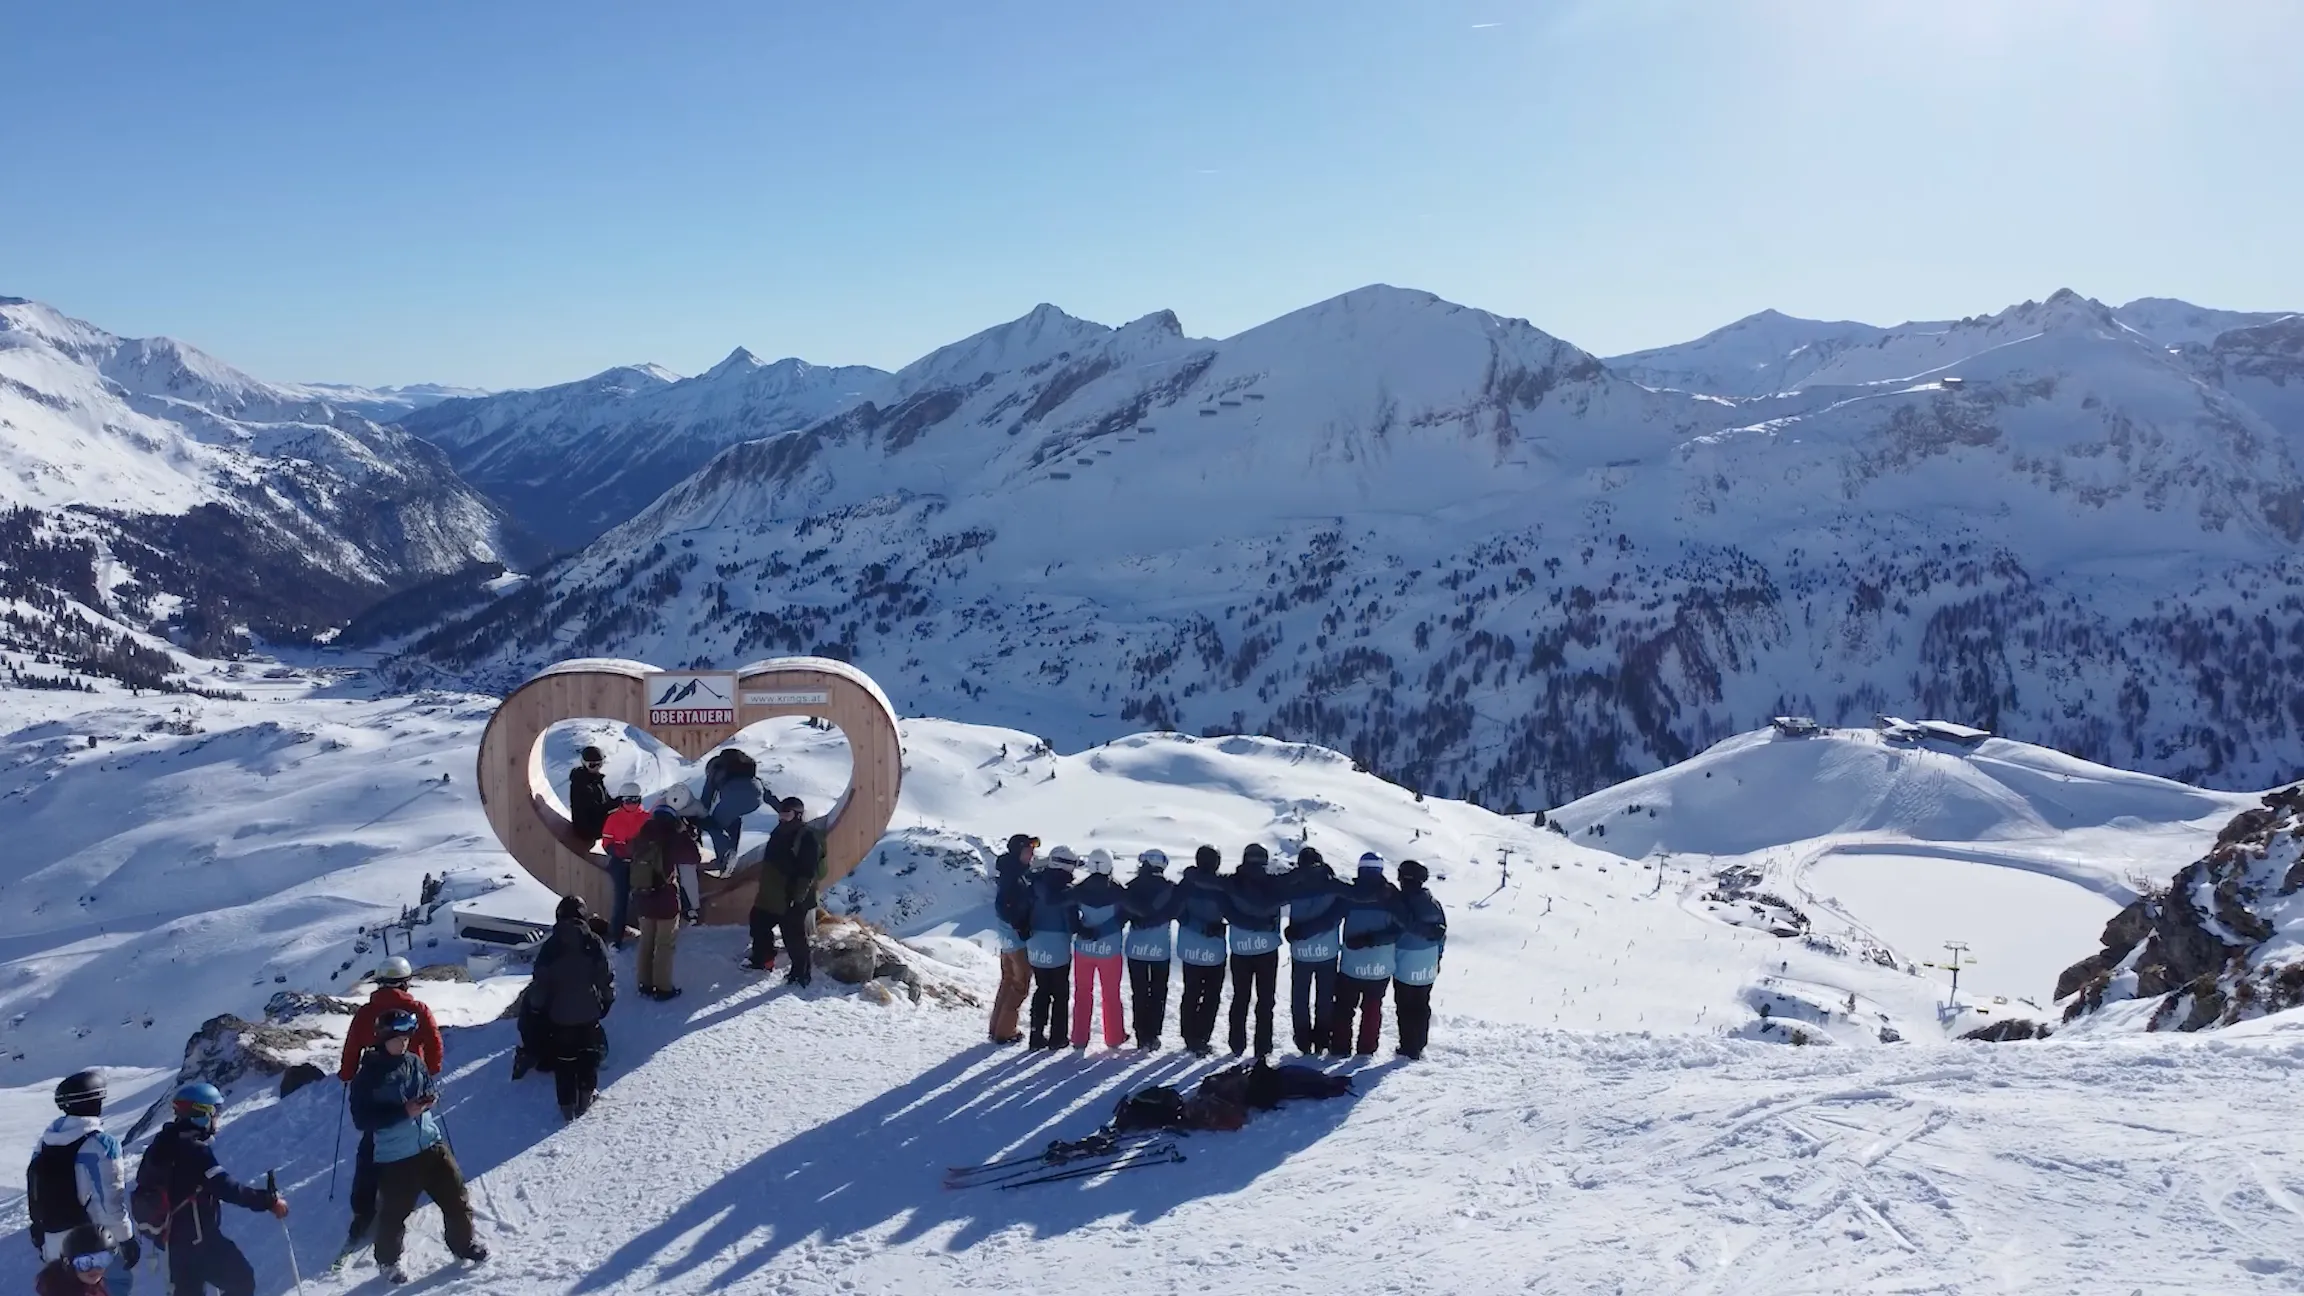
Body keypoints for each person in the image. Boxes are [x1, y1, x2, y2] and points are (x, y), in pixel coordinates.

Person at [350, 1012, 484, 1283]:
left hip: (431, 1144)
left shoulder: (414, 1061)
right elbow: (362, 1120)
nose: (404, 1043)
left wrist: (428, 1099)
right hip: (396, 1156)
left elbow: (424, 1086)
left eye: (407, 1038)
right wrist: (404, 1112)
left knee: (456, 1198)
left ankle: (463, 1245)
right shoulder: (368, 1076)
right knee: (395, 1214)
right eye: (398, 1038)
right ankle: (388, 1262)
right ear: (384, 1037)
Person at [133, 1083, 285, 1296]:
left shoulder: (161, 1144)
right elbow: (226, 1187)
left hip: (171, 1244)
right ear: (203, 1114)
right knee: (241, 1281)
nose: (217, 1118)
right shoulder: (195, 1150)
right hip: (201, 1242)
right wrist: (267, 1201)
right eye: (216, 1112)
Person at [335, 956, 442, 1249]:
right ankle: (427, 1190)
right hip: (413, 1080)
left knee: (373, 1142)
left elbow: (352, 1046)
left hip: (377, 1083)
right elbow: (433, 1041)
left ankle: (364, 1211)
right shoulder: (417, 1009)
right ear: (406, 982)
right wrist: (430, 1070)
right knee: (417, 1135)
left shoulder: (367, 1012)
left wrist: (347, 1075)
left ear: (380, 982)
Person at [27, 1070, 135, 1292]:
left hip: (54, 1242)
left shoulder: (46, 1142)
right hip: (93, 1245)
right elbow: (110, 1201)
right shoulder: (101, 1144)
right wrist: (126, 1238)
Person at [527, 896, 615, 1119]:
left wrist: (537, 1010)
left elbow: (540, 984)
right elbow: (605, 976)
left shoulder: (550, 946)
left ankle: (566, 1107)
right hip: (589, 1012)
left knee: (565, 1062)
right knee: (588, 1058)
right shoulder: (593, 941)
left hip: (559, 1016)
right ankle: (585, 1099)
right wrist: (606, 1001)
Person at [1333, 853, 1405, 1056]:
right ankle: (1366, 1048)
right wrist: (1372, 940)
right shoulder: (1393, 896)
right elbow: (1401, 929)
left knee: (1344, 1008)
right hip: (1380, 966)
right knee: (1373, 1008)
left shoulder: (1349, 895)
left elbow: (1331, 918)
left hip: (1351, 965)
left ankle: (1340, 1047)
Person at [1220, 843, 1288, 1058]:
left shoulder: (1231, 882)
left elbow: (1226, 910)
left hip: (1240, 949)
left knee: (1240, 997)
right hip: (1267, 949)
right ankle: (1263, 1046)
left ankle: (1237, 1044)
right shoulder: (1274, 884)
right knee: (1266, 998)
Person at [751, 797, 824, 985]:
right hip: (770, 893)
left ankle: (801, 973)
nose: (783, 817)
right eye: (781, 813)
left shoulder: (806, 837)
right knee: (758, 924)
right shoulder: (779, 831)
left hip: (790, 895)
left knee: (793, 936)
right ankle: (763, 961)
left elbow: (807, 871)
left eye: (787, 813)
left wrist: (797, 898)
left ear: (797, 815)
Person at [628, 805, 695, 1000]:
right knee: (664, 944)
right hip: (665, 901)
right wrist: (684, 834)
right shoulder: (672, 839)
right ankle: (663, 988)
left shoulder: (641, 837)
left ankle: (644, 984)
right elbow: (693, 857)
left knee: (646, 942)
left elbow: (627, 851)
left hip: (643, 898)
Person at [1283, 847, 1346, 1054]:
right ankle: (1322, 1040)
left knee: (1300, 997)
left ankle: (1303, 1040)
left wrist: (1296, 931)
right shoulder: (1333, 885)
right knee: (1325, 998)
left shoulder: (1294, 886)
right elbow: (1337, 915)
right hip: (1327, 952)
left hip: (1301, 953)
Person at [1121, 849, 1185, 1049]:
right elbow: (1177, 913)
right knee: (1158, 992)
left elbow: (1123, 914)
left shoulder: (1131, 887)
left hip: (1136, 948)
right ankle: (1153, 1033)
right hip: (1160, 949)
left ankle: (1141, 1033)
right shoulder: (1171, 889)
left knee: (1139, 992)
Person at [1066, 849, 1128, 1049]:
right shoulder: (1118, 889)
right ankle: (1114, 1037)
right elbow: (1122, 918)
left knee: (1082, 992)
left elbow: (1070, 917)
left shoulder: (1079, 889)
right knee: (1111, 993)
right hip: (1110, 949)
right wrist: (1103, 930)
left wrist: (1084, 930)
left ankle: (1078, 1037)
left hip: (1084, 948)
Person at [1174, 846, 1231, 1055]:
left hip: (1190, 948)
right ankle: (1202, 1036)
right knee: (1211, 995)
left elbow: (1177, 912)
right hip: (1214, 950)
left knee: (1191, 992)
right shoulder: (1221, 886)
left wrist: (1195, 925)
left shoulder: (1186, 883)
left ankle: (1189, 1037)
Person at [1391, 860, 1449, 1060]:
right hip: (1428, 963)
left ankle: (1408, 1045)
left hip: (1404, 961)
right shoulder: (1433, 903)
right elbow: (1442, 934)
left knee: (1404, 1005)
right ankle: (1419, 1043)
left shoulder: (1399, 902)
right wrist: (1437, 958)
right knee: (1422, 1003)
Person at [1024, 847, 1080, 1050]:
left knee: (1041, 989)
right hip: (1058, 945)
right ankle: (1058, 1037)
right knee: (1060, 993)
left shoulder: (1034, 883)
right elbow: (1072, 922)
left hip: (1035, 942)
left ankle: (1036, 1033)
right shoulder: (1068, 890)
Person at [987, 834, 1038, 1044]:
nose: (1032, 854)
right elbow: (1005, 907)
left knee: (1008, 981)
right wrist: (1022, 926)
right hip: (1017, 941)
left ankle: (996, 1027)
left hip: (1007, 941)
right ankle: (1005, 1031)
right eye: (1028, 850)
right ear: (1018, 852)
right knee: (1020, 985)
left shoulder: (1010, 872)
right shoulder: (1015, 877)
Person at [598, 783, 650, 948]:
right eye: (628, 800)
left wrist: (639, 851)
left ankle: (648, 935)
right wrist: (618, 850)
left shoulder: (647, 818)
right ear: (622, 800)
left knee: (643, 898)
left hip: (641, 864)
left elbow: (654, 842)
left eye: (635, 800)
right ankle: (615, 937)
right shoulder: (613, 818)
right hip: (620, 864)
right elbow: (607, 841)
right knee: (620, 900)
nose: (632, 804)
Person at [699, 747, 765, 871]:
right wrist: (782, 808)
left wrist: (700, 819)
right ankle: (732, 855)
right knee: (735, 820)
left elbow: (706, 798)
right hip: (757, 797)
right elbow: (763, 788)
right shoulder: (743, 770)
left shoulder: (715, 770)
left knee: (713, 824)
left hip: (734, 796)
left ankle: (722, 861)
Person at [37, 1225, 118, 1296]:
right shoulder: (60, 1291)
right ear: (69, 1264)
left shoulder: (93, 1286)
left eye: (101, 1260)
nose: (94, 1268)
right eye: (84, 1263)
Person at [567, 746, 611, 848]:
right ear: (584, 763)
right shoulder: (581, 784)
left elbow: (606, 802)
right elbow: (594, 809)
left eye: (600, 764)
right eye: (592, 765)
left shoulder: (595, 780)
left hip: (595, 821)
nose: (597, 768)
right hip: (587, 829)